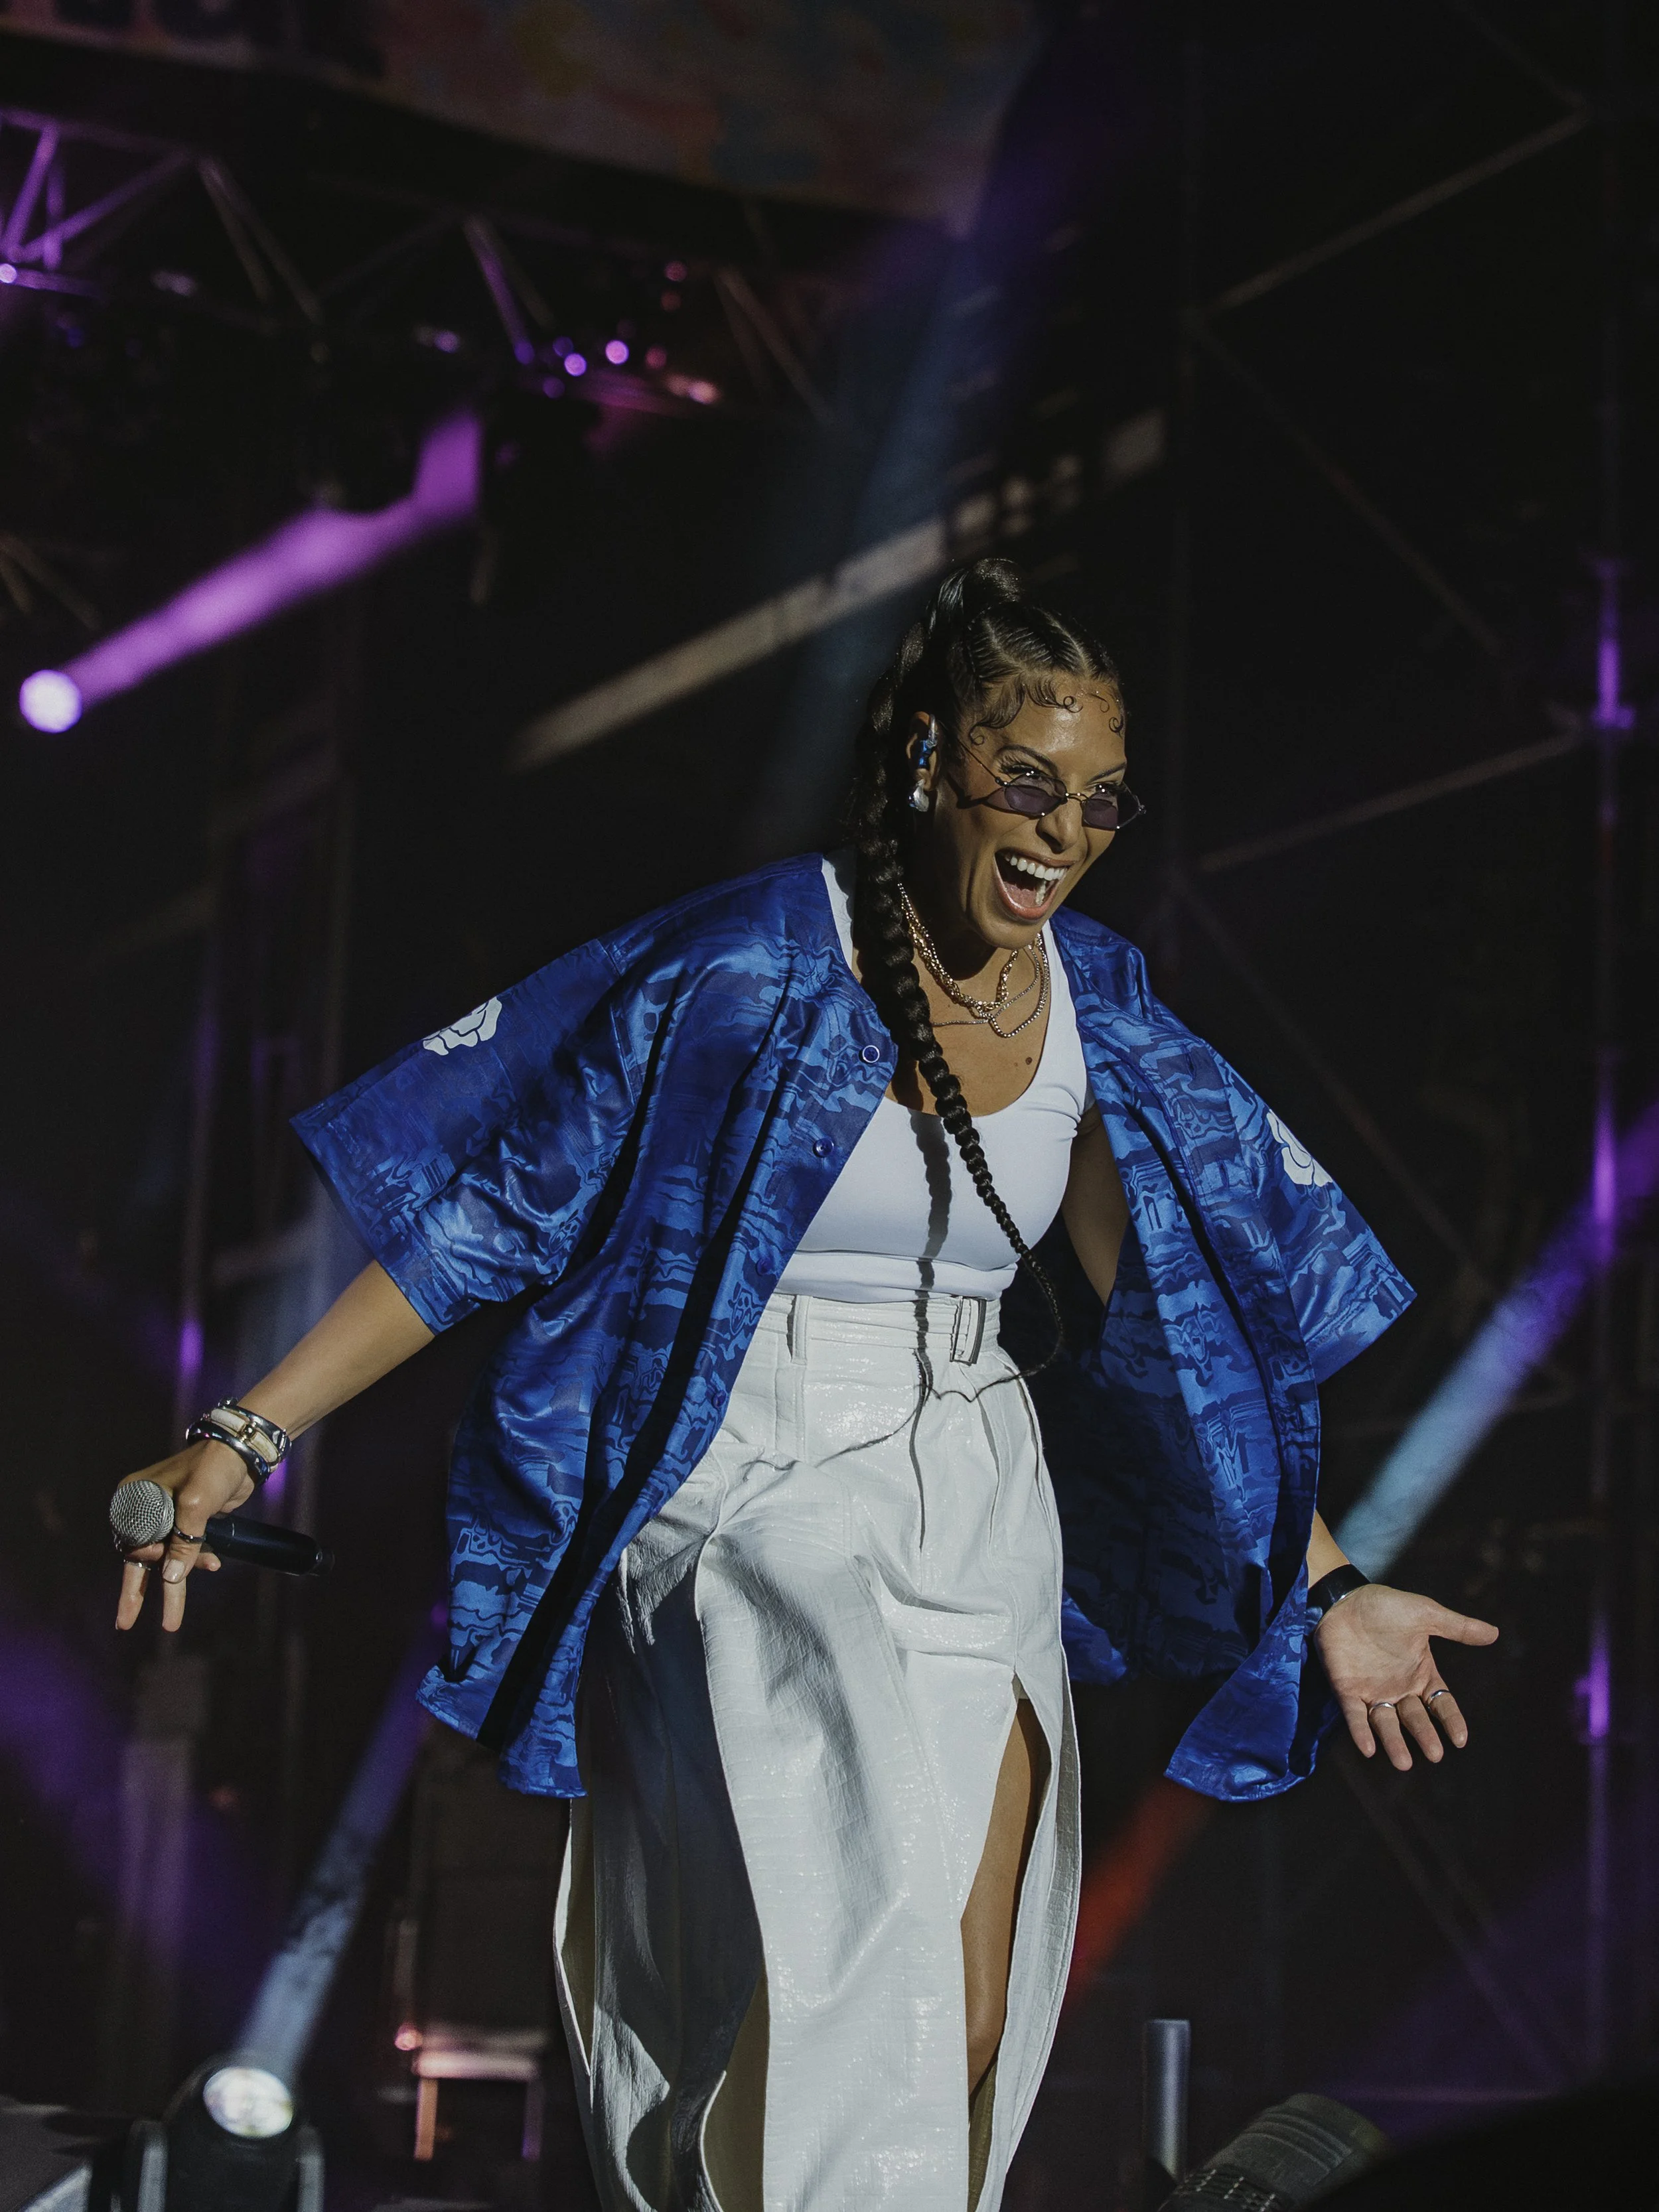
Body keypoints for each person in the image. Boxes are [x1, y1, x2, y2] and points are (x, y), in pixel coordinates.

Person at [112, 559, 1498, 2212]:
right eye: (1023, 781)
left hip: (977, 1481)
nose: (1060, 831)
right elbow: (486, 1219)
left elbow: (1186, 1360)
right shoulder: (749, 964)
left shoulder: (1097, 1012)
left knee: (969, 2001)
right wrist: (242, 1430)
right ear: (925, 758)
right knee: (854, 1946)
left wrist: (1327, 1582)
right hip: (739, 1472)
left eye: (1100, 799)